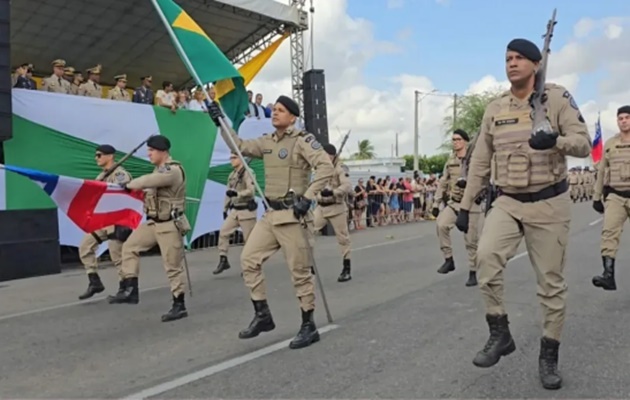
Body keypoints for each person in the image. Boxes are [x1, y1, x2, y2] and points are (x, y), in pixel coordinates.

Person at [455, 38, 591, 390]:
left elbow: (582, 142)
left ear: (535, 64)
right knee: (485, 258)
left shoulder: (556, 99)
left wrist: (555, 140)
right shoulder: (495, 108)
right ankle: (500, 332)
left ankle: (549, 357)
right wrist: (465, 206)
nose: (512, 64)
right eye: (507, 58)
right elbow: (481, 162)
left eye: (519, 58)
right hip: (508, 200)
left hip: (549, 202)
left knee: (550, 284)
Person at [208, 95, 334, 349]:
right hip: (270, 215)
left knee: (299, 273)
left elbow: (325, 168)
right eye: (274, 109)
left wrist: (308, 198)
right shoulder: (266, 141)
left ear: (292, 117)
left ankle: (308, 324)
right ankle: (262, 314)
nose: (275, 113)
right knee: (248, 260)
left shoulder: (303, 141)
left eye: (280, 110)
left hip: (293, 216)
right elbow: (239, 145)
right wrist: (220, 122)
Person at [110, 135, 192, 323]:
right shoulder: (159, 170)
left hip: (170, 225)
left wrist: (128, 184)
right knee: (129, 247)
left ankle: (179, 304)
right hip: (154, 222)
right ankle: (131, 288)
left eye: (151, 150)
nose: (149, 154)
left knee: (172, 267)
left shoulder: (173, 170)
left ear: (162, 151)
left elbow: (148, 180)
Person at [78, 144, 132, 301]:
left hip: (118, 220)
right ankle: (94, 281)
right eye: (96, 155)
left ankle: (125, 287)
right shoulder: (101, 175)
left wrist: (105, 186)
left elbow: (124, 192)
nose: (96, 158)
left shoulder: (120, 174)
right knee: (85, 247)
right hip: (103, 220)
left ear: (110, 156)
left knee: (117, 255)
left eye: (99, 155)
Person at [432, 129, 481, 287]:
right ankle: (449, 259)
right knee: (441, 225)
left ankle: (473, 272)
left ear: (465, 141)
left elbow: (484, 177)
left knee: (470, 241)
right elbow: (443, 182)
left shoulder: (475, 159)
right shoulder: (451, 160)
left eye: (458, 139)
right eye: (453, 139)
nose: (455, 142)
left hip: (472, 203)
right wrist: (436, 202)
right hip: (455, 202)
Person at [592, 105, 630, 291]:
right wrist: (596, 196)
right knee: (609, 233)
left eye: (627, 118)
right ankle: (608, 275)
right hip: (615, 196)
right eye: (620, 118)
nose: (623, 121)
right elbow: (601, 172)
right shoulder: (610, 144)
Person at [313, 143, 354, 282]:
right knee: (308, 231)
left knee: (343, 239)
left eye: (326, 155)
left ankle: (346, 268)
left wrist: (333, 192)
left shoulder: (340, 168)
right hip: (321, 207)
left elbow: (347, 186)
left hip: (336, 207)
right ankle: (308, 265)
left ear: (332, 155)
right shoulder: (320, 168)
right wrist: (318, 195)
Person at [214, 152, 258, 275]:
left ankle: (250, 266)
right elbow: (228, 192)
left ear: (240, 158)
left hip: (246, 210)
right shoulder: (232, 175)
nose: (231, 160)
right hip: (235, 209)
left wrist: (238, 194)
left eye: (234, 158)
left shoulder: (248, 172)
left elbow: (251, 191)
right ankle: (223, 258)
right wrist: (225, 208)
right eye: (230, 158)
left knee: (249, 241)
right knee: (223, 232)